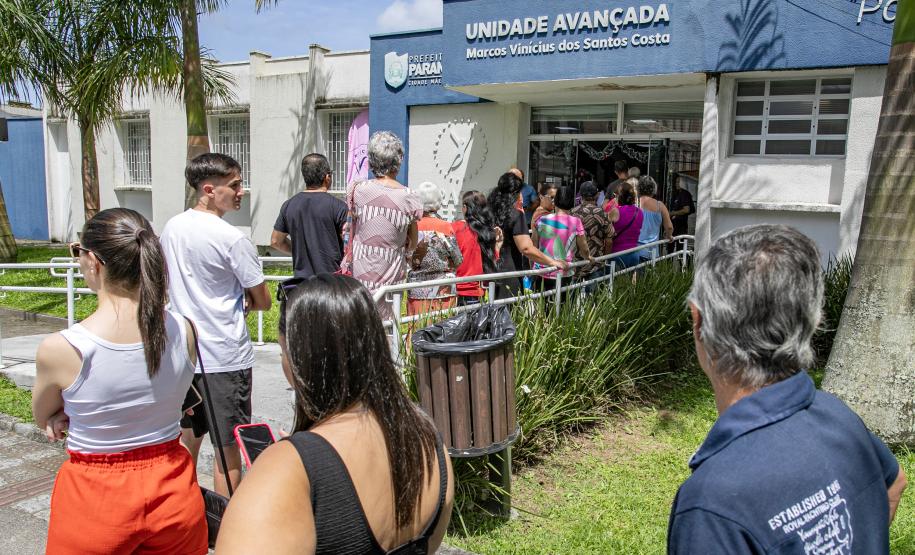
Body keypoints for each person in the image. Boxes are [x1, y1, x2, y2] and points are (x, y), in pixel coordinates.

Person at [668, 225, 907, 554]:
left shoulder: (712, 503)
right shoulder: (837, 416)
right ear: (811, 317)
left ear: (699, 322)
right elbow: (894, 482)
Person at [216, 275, 454, 554]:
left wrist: (289, 463)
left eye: (283, 350)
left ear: (300, 358)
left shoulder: (288, 470)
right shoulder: (429, 443)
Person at [34, 208, 208, 554]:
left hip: (96, 495)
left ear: (93, 262)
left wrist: (67, 412)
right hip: (174, 485)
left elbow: (44, 416)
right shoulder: (184, 330)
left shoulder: (63, 348)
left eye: (77, 252)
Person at [161, 153, 272, 497]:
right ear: (209, 189)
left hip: (183, 353)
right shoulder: (232, 238)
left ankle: (182, 515)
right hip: (224, 356)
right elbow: (264, 300)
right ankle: (227, 530)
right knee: (228, 452)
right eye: (235, 185)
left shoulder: (172, 228)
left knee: (186, 440)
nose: (241, 192)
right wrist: (248, 299)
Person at [270, 153, 347, 380]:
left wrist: (296, 250)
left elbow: (275, 240)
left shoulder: (289, 205)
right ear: (327, 177)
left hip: (300, 287)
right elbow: (348, 242)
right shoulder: (338, 207)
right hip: (330, 285)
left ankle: (304, 383)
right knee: (331, 341)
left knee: (300, 342)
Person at [344, 131, 422, 317]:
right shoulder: (409, 197)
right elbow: (412, 241)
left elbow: (351, 223)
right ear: (399, 160)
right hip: (391, 274)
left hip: (360, 272)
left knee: (360, 325)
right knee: (387, 329)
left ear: (371, 160)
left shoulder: (356, 189)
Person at [488, 172, 568, 298]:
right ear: (516, 194)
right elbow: (526, 248)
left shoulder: (489, 212)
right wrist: (552, 261)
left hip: (488, 270)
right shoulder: (515, 214)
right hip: (509, 273)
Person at [407, 181, 463, 315]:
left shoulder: (411, 226)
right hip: (443, 290)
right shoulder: (445, 226)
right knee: (442, 330)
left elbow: (406, 257)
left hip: (417, 290)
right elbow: (458, 259)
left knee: (417, 330)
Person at [531, 185, 592, 297]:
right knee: (562, 308)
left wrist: (532, 267)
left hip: (541, 271)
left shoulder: (541, 220)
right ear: (571, 202)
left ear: (556, 200)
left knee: (542, 310)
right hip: (563, 271)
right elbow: (584, 249)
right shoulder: (576, 222)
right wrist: (588, 257)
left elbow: (533, 246)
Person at [452, 190, 502, 306]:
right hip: (478, 290)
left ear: (465, 207)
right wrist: (497, 247)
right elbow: (491, 261)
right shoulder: (486, 231)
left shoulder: (455, 228)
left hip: (456, 288)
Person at [571, 181, 612, 287]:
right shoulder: (602, 213)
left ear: (581, 195)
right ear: (597, 195)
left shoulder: (572, 212)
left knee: (571, 299)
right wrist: (604, 259)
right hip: (596, 263)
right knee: (594, 300)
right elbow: (609, 239)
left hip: (575, 263)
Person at [636, 176, 674, 263]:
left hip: (634, 250)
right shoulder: (660, 205)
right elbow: (669, 227)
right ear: (654, 189)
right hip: (652, 252)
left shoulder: (635, 203)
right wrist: (668, 235)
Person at [608, 180, 644, 270]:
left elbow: (607, 233)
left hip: (617, 255)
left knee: (613, 283)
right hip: (634, 254)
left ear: (619, 196)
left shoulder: (615, 211)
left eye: (615, 196)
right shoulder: (639, 212)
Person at [668, 175, 695, 252]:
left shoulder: (685, 194)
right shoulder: (676, 194)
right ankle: (669, 263)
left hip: (681, 226)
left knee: (680, 249)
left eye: (678, 182)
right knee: (670, 248)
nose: (676, 184)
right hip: (673, 226)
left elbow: (687, 210)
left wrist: (673, 213)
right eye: (676, 182)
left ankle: (682, 263)